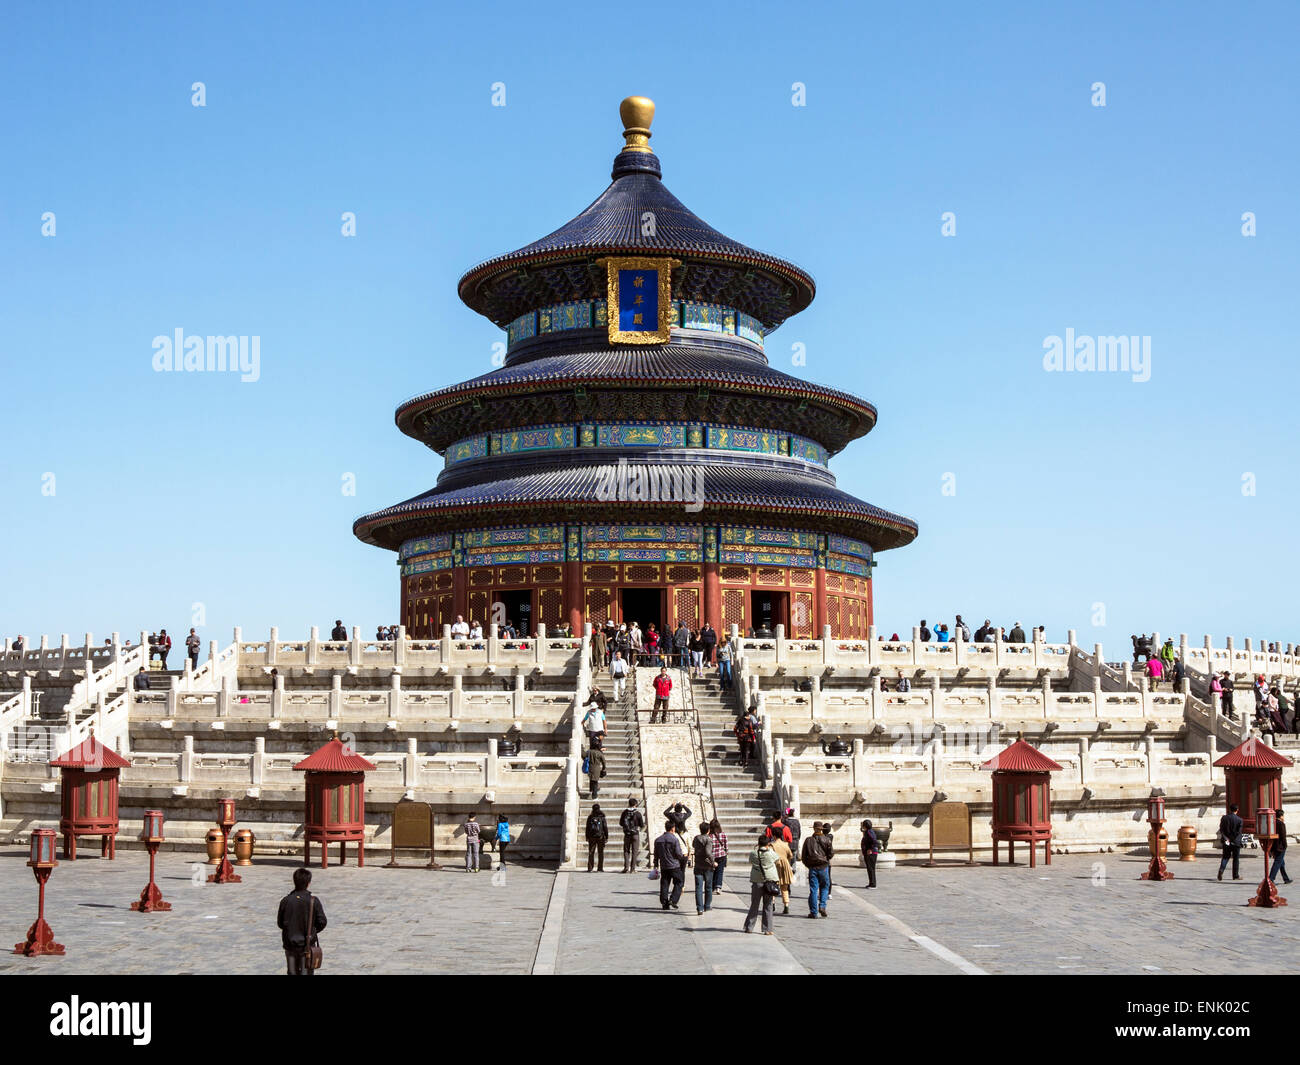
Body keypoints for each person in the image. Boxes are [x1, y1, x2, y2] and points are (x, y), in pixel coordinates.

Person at [277, 867, 327, 976]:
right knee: (306, 972)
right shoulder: (313, 901)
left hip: (290, 943)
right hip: (307, 944)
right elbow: (322, 921)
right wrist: (313, 930)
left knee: (292, 972)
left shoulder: (286, 901)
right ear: (308, 883)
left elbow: (280, 923)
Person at [743, 832, 779, 935]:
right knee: (768, 905)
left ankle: (749, 927)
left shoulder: (753, 853)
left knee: (754, 904)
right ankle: (767, 929)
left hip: (757, 880)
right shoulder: (771, 853)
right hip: (769, 881)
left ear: (758, 843)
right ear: (768, 844)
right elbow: (777, 860)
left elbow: (751, 861)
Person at [801, 820, 834, 917]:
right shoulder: (827, 839)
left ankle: (814, 912)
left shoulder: (808, 840)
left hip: (813, 867)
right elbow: (831, 854)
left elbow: (803, 856)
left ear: (814, 829)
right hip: (823, 866)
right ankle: (822, 906)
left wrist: (809, 865)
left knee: (813, 890)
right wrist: (826, 860)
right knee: (824, 887)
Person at [653, 820, 686, 910]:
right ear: (672, 828)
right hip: (674, 865)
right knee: (679, 882)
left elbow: (656, 854)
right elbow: (678, 853)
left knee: (664, 884)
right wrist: (682, 858)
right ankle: (673, 899)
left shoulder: (658, 840)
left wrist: (655, 864)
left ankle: (664, 902)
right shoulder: (674, 839)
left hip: (664, 866)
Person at [768, 827, 794, 915]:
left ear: (773, 835)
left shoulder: (772, 845)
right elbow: (790, 855)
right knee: (785, 887)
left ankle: (773, 902)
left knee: (774, 885)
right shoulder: (785, 844)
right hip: (785, 865)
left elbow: (770, 856)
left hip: (776, 865)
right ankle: (786, 905)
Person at [692, 821, 717, 913]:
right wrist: (713, 861)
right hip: (707, 866)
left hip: (698, 864)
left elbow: (693, 845)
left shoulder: (696, 838)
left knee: (698, 887)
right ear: (708, 830)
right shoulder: (709, 839)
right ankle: (707, 906)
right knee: (708, 887)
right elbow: (708, 852)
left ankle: (699, 908)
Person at [1218, 803, 1243, 881]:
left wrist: (1227, 838)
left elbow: (1221, 829)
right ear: (1237, 810)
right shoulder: (1240, 820)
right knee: (1236, 859)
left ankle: (1221, 870)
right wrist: (1233, 839)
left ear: (1229, 809)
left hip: (1226, 841)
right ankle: (1235, 875)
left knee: (1225, 857)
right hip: (1236, 842)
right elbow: (1238, 832)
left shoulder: (1224, 818)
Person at [620, 797, 645, 872]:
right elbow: (641, 824)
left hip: (627, 834)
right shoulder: (637, 813)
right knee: (635, 851)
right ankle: (632, 868)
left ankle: (626, 867)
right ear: (635, 804)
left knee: (626, 851)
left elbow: (621, 823)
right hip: (635, 834)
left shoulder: (624, 812)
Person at [1271, 809, 1292, 885]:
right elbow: (1283, 836)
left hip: (1274, 846)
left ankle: (1286, 878)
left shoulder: (1273, 823)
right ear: (1281, 816)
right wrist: (1285, 845)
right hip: (1280, 846)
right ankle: (1271, 878)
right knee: (1278, 862)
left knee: (1281, 863)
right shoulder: (1281, 824)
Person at [586, 804, 608, 872]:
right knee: (600, 852)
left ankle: (590, 868)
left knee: (591, 852)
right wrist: (607, 836)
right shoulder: (602, 817)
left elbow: (587, 828)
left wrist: (587, 836)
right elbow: (605, 827)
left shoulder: (590, 817)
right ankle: (600, 868)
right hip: (600, 837)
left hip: (592, 837)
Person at [709, 818, 728, 892]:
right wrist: (726, 852)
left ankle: (712, 887)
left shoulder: (710, 836)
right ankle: (718, 887)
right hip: (722, 855)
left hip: (713, 856)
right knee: (720, 871)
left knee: (712, 871)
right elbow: (726, 845)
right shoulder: (723, 834)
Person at [861, 819, 880, 888]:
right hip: (869, 852)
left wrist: (870, 849)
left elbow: (874, 841)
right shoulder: (868, 832)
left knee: (871, 868)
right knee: (870, 868)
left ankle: (873, 884)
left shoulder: (869, 832)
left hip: (871, 853)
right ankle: (871, 883)